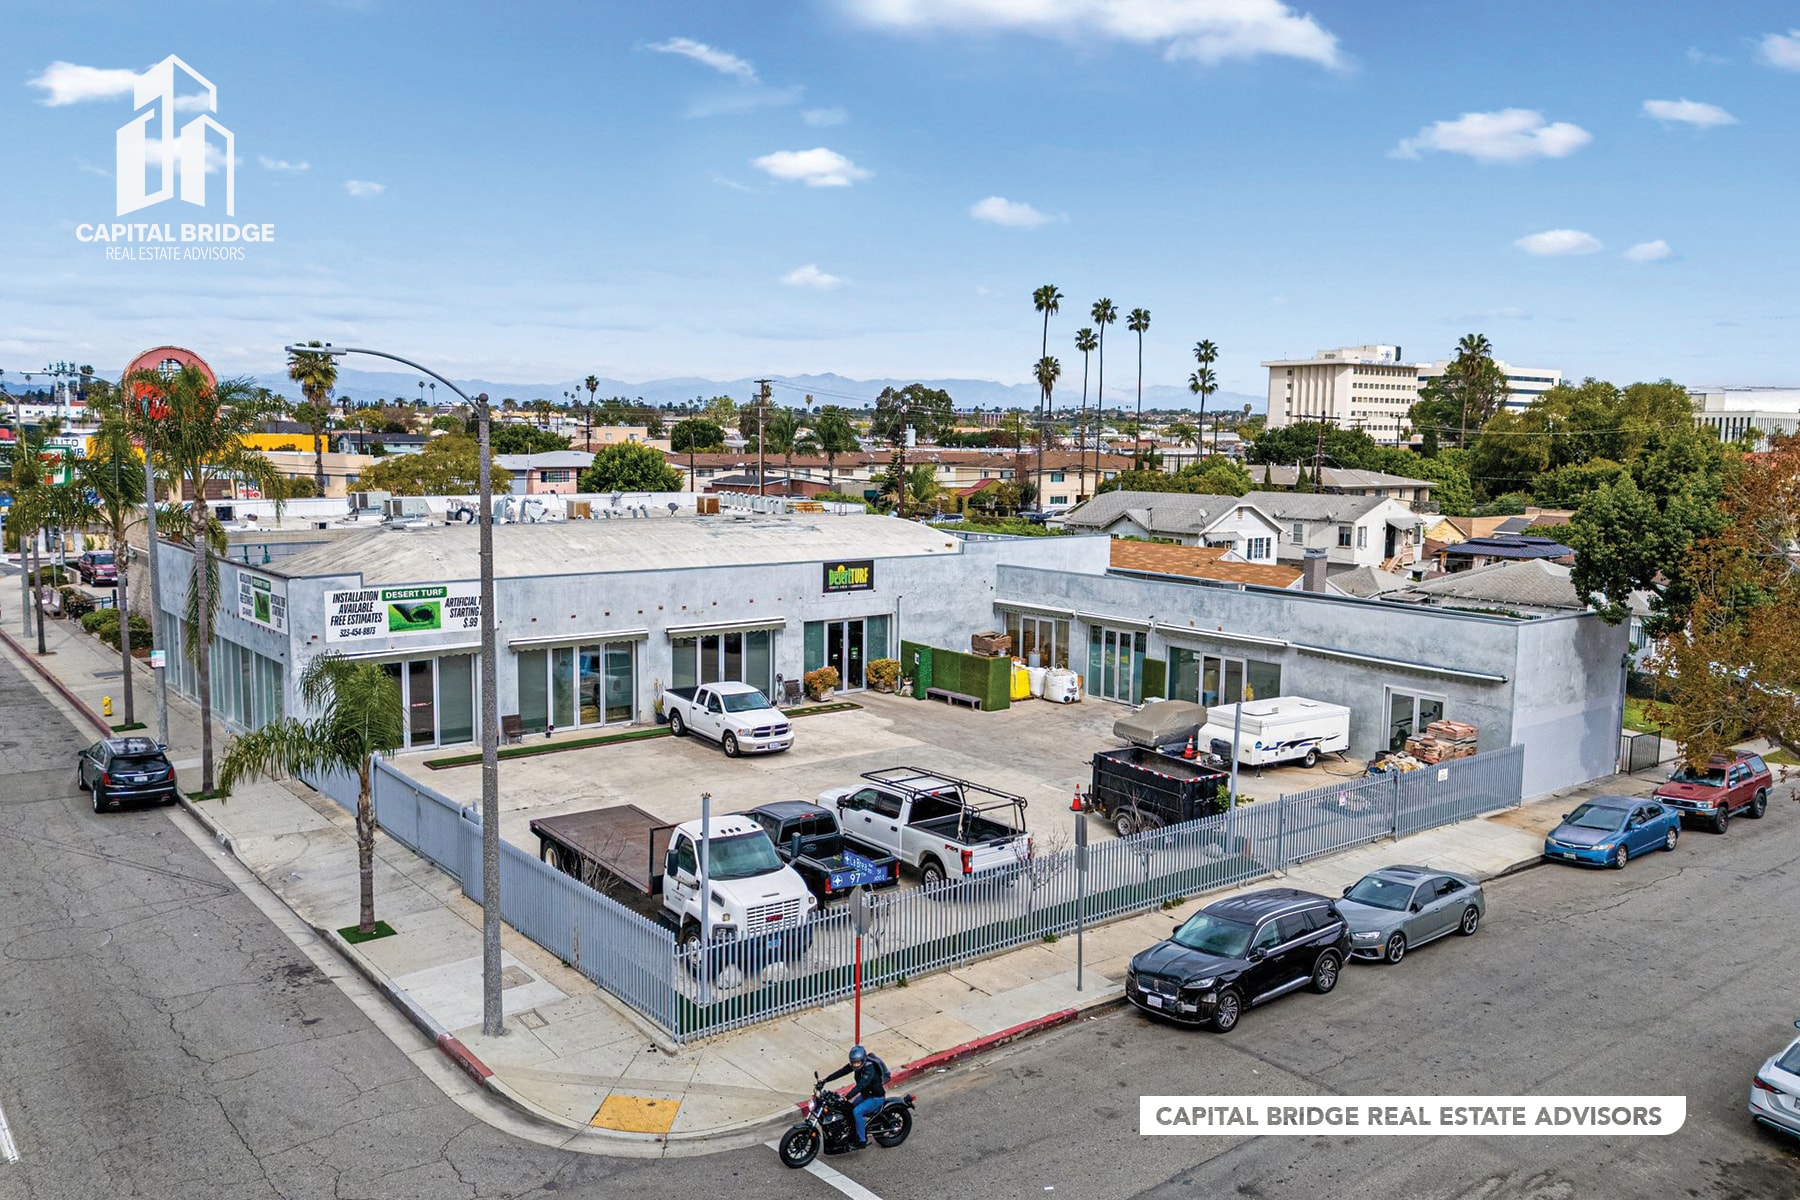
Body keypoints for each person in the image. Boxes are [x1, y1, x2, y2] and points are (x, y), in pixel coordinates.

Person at [822, 1044, 888, 1149]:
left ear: (863, 1060)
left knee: (857, 1112)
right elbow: (842, 1071)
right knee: (848, 1109)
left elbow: (861, 1085)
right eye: (853, 1062)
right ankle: (852, 1132)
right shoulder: (856, 1065)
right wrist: (826, 1080)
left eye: (857, 1062)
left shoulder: (869, 1069)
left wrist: (847, 1096)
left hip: (876, 1098)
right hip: (866, 1095)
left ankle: (861, 1141)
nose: (855, 1065)